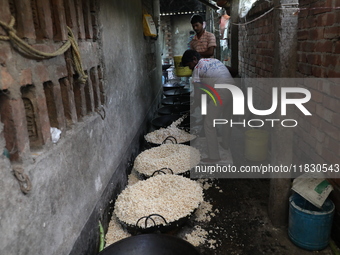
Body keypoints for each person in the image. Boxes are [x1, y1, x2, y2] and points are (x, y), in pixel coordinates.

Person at [182, 49, 234, 163]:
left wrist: (192, 107)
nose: (190, 68)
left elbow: (197, 96)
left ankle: (214, 157)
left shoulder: (197, 68)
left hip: (221, 91)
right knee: (227, 119)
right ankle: (225, 144)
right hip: (233, 88)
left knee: (209, 124)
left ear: (194, 60)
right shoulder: (213, 60)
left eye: (189, 65)